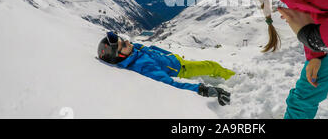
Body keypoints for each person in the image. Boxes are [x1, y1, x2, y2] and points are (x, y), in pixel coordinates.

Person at [97, 31, 235, 106]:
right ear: (120, 56)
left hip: (174, 59)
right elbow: (170, 84)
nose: (127, 41)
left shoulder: (133, 50)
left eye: (123, 39)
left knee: (210, 65)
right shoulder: (143, 66)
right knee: (212, 66)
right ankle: (234, 78)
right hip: (182, 68)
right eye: (123, 44)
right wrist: (202, 89)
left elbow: (149, 49)